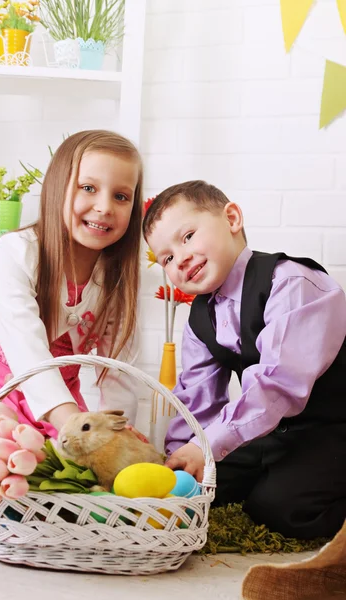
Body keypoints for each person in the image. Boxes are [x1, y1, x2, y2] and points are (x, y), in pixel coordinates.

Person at [143, 179, 346, 539]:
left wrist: (208, 447)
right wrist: (180, 462)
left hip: (331, 426)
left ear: (232, 218)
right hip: (275, 430)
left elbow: (277, 384)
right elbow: (196, 398)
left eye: (187, 236)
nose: (181, 257)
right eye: (168, 258)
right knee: (212, 486)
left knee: (281, 509)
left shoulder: (290, 282)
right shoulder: (200, 318)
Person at [0, 130, 144, 438]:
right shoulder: (15, 252)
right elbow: (27, 350)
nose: (104, 207)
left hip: (59, 417)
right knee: (3, 468)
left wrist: (118, 432)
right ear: (58, 188)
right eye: (88, 188)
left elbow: (117, 373)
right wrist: (76, 427)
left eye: (121, 196)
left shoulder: (117, 277)